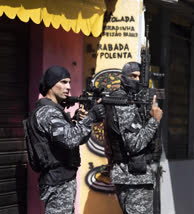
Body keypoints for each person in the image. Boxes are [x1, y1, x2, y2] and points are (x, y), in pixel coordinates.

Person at [23, 66, 105, 214]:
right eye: (63, 82)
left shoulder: (55, 111)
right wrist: (91, 117)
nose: (68, 87)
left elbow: (77, 139)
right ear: (50, 85)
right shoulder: (48, 112)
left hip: (62, 181)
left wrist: (81, 120)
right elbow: (69, 140)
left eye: (69, 82)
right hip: (57, 183)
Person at [105, 62, 163, 214]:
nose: (136, 80)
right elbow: (134, 144)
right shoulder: (123, 103)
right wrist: (154, 120)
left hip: (133, 176)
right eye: (133, 76)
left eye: (139, 77)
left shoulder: (132, 101)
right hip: (134, 178)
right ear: (123, 78)